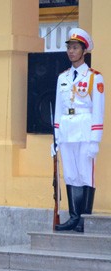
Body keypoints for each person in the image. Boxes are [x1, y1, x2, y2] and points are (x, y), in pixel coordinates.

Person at [51, 28, 105, 233]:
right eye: (69, 48)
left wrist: (94, 140)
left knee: (85, 174)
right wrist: (55, 139)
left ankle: (83, 219)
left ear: (84, 51)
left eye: (75, 48)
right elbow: (58, 109)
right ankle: (73, 217)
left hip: (84, 131)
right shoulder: (62, 78)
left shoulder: (94, 77)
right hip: (66, 131)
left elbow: (98, 110)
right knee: (71, 175)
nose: (71, 51)